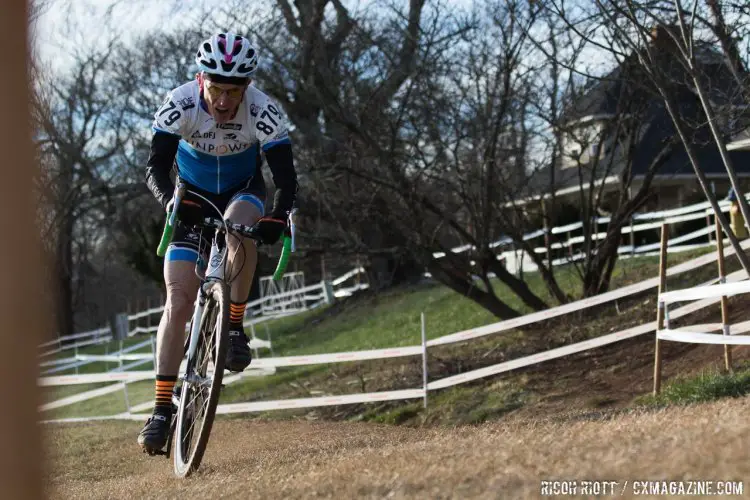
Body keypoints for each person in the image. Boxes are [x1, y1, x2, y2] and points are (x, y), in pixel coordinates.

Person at [138, 32, 298, 454]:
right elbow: (155, 167)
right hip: (192, 194)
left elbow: (286, 179)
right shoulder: (181, 102)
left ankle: (233, 328)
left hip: (242, 191)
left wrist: (277, 216)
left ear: (247, 87)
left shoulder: (264, 111)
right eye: (216, 89)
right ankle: (160, 409)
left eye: (234, 91)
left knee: (239, 230)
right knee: (177, 301)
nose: (225, 101)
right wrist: (173, 202)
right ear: (200, 79)